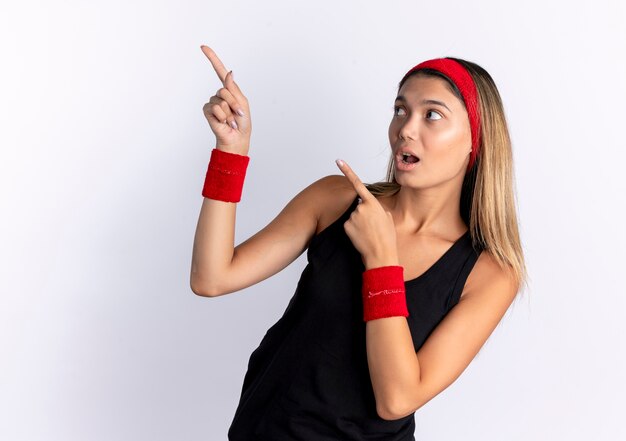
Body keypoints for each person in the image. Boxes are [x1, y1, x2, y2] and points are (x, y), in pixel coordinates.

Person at [190, 45, 528, 440]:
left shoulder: (490, 273)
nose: (406, 128)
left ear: (477, 138)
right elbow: (211, 278)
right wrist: (231, 152)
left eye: (432, 115)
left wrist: (382, 259)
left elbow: (397, 399)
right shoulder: (334, 200)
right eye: (400, 110)